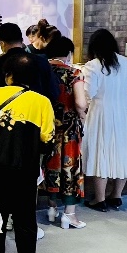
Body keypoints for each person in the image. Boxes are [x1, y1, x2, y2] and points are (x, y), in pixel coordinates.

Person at [0, 50, 55, 253]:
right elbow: (47, 140)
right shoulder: (42, 102)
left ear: (8, 74)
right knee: (25, 219)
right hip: (25, 169)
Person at [80, 29, 127, 211]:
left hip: (100, 112)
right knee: (123, 152)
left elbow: (88, 93)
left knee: (100, 152)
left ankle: (99, 199)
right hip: (124, 112)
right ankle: (116, 196)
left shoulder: (92, 66)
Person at [43, 35, 88, 229]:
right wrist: (83, 116)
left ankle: (51, 208)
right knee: (70, 167)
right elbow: (80, 103)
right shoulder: (74, 73)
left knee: (49, 165)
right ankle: (69, 214)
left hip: (46, 128)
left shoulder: (41, 70)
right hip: (69, 130)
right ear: (69, 53)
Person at [0, 22, 61, 106]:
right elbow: (54, 92)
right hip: (37, 111)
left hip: (6, 112)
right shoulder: (42, 62)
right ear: (22, 40)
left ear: (2, 43)